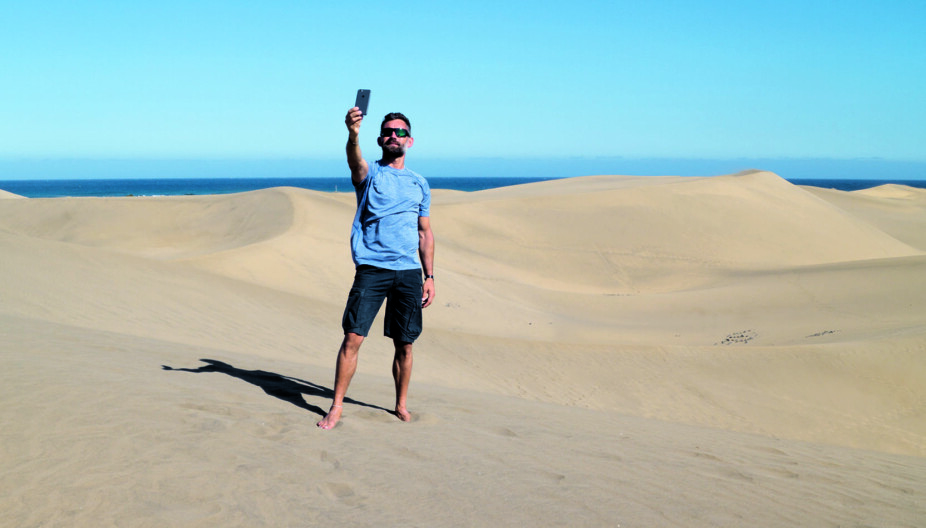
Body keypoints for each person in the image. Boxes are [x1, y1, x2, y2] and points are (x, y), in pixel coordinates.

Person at [316, 107, 435, 430]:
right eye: (388, 132)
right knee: (353, 337)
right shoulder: (370, 175)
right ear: (380, 139)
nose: (393, 136)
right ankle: (336, 406)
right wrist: (353, 134)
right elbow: (355, 162)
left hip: (409, 272)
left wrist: (430, 277)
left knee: (405, 343)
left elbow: (424, 232)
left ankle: (401, 404)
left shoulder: (419, 183)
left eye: (400, 132)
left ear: (409, 141)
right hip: (373, 269)